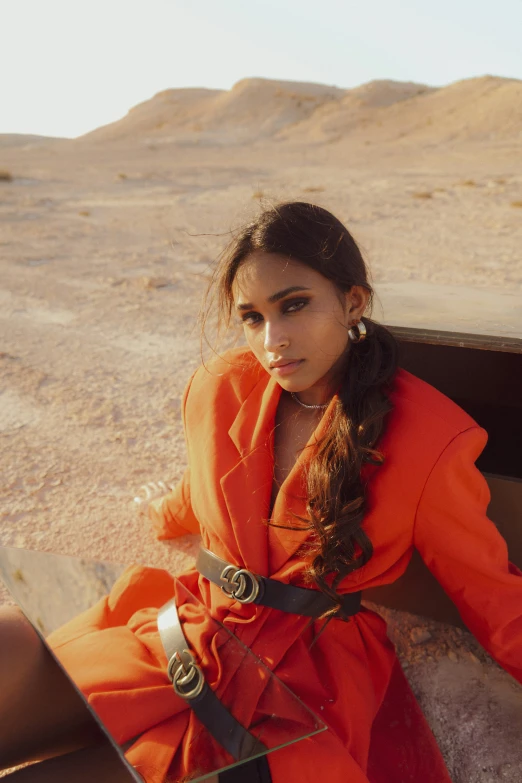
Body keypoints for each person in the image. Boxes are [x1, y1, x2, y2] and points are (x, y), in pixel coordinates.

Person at [1, 201, 521, 783]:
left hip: (298, 682)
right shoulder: (219, 384)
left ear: (353, 302)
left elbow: (495, 601)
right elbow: (200, 491)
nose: (272, 340)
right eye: (252, 316)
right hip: (189, 626)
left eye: (294, 305)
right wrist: (159, 510)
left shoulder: (432, 440)